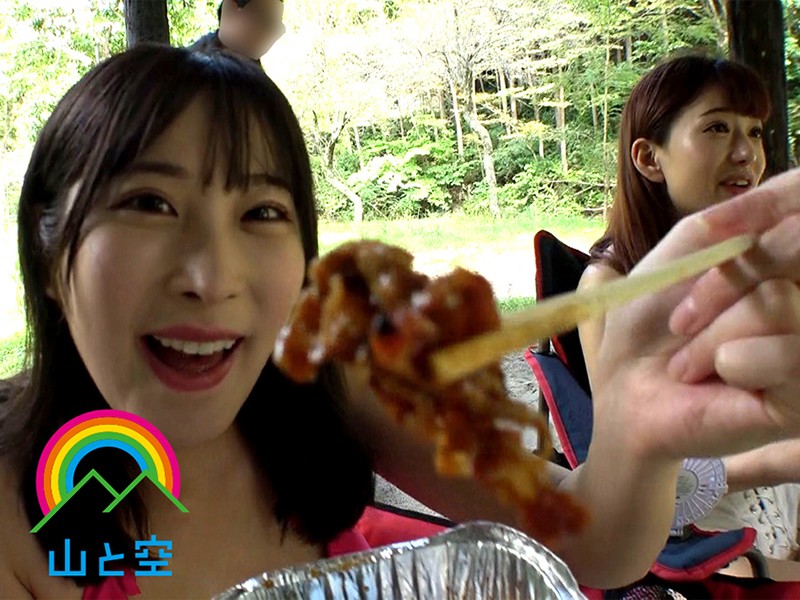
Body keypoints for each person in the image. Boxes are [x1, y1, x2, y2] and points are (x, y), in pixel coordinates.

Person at [2, 44, 800, 597]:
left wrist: (642, 433)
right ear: (46, 246)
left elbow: (590, 540)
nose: (212, 279)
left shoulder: (330, 385)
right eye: (150, 203)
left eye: (262, 212)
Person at [577, 54, 800, 579]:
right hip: (705, 544)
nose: (746, 153)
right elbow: (631, 468)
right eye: (718, 128)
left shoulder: (762, 266)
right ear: (649, 158)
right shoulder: (609, 288)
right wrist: (781, 461)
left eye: (755, 131)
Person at [188, 0, 285, 64]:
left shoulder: (257, 80)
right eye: (261, 20)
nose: (266, 35)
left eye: (275, 27)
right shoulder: (190, 70)